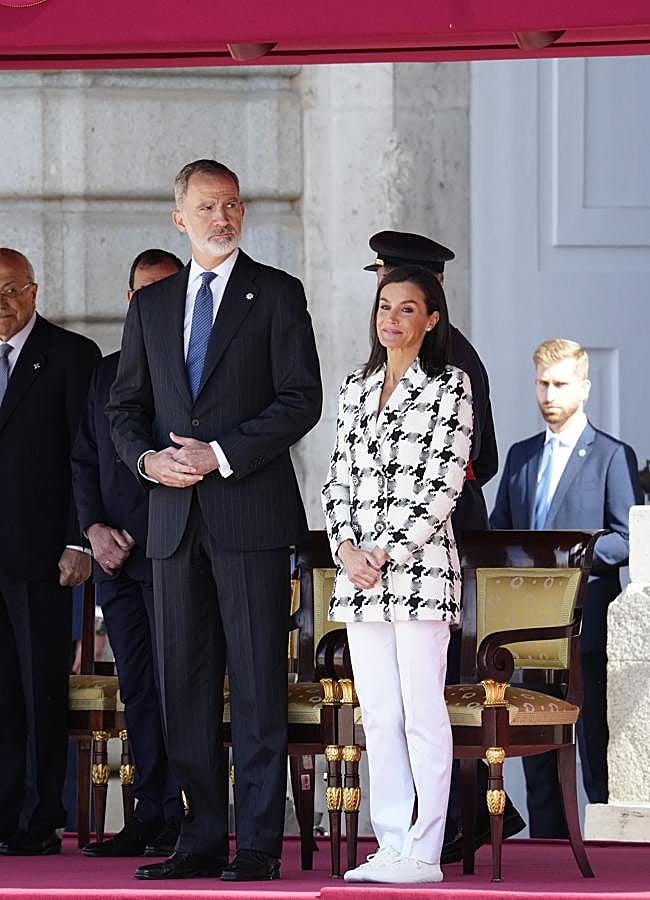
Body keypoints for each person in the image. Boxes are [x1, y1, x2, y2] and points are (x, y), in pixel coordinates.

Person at [107, 159, 322, 881]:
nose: (222, 217)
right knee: (185, 683)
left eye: (231, 205)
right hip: (171, 523)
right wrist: (146, 463)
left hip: (250, 517)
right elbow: (124, 409)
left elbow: (300, 400)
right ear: (180, 218)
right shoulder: (153, 304)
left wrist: (220, 454)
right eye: (207, 207)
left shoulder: (278, 295)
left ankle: (258, 842)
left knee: (258, 682)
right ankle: (200, 837)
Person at [363, 231, 524, 859]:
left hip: (443, 536)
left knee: (440, 686)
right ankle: (443, 820)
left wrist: (399, 533)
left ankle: (459, 818)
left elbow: (473, 459)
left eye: (396, 287)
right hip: (386, 551)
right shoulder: (374, 371)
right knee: (400, 698)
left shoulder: (454, 363)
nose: (386, 303)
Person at [322, 265, 472, 884]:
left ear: (431, 319)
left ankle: (425, 849)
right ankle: (388, 842)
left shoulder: (450, 386)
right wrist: (347, 549)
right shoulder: (355, 386)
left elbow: (443, 486)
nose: (392, 318)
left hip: (418, 574)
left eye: (407, 308)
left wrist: (384, 551)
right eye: (385, 306)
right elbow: (338, 479)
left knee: (421, 713)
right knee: (377, 714)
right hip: (360, 580)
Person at [490, 338, 644, 837]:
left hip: (587, 624)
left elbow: (626, 536)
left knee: (594, 741)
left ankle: (605, 845)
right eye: (541, 383)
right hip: (530, 632)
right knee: (537, 746)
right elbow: (500, 534)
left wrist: (569, 566)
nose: (548, 393)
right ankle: (547, 848)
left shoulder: (611, 455)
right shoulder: (520, 456)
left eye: (559, 384)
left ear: (584, 387)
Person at [72, 249, 185, 858]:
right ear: (130, 300)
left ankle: (183, 814)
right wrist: (92, 528)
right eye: (143, 294)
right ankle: (148, 812)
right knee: (138, 687)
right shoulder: (107, 370)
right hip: (113, 558)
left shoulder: (190, 373)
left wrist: (137, 532)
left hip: (170, 555)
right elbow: (85, 457)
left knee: (178, 689)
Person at [0, 248, 100, 855]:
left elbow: (83, 457)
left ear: (34, 292)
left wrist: (77, 538)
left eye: (12, 290)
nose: (2, 305)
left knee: (39, 689)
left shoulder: (70, 356)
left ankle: (40, 818)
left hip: (42, 556)